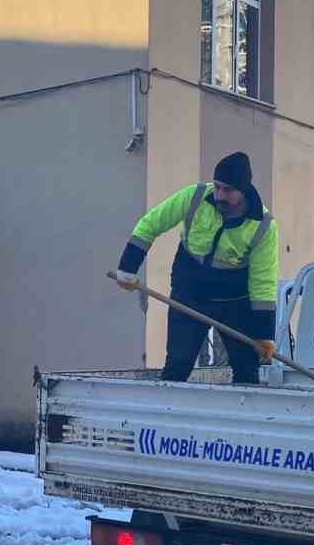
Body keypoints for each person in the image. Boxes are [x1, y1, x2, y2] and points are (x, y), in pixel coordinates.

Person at [114, 152, 278, 383]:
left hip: (234, 301)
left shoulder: (264, 226)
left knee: (246, 367)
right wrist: (127, 268)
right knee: (178, 363)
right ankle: (167, 413)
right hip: (189, 291)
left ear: (244, 190)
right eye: (218, 186)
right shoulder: (196, 196)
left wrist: (263, 334)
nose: (219, 195)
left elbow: (263, 281)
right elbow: (151, 224)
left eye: (228, 190)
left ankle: (244, 416)